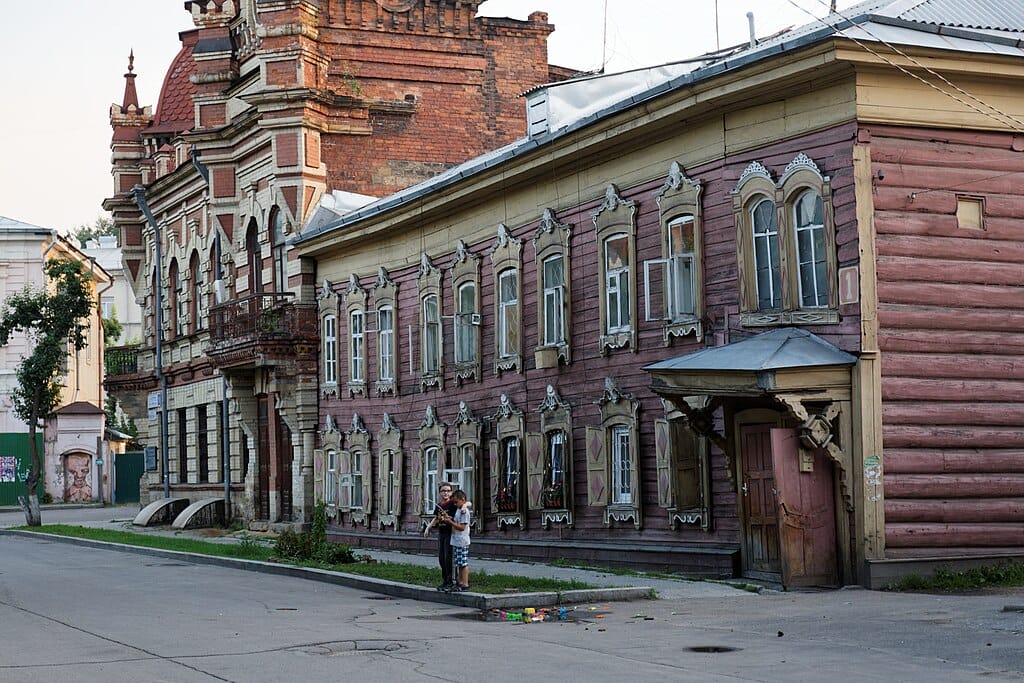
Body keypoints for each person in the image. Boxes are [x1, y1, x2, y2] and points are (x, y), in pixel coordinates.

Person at [423, 482, 457, 590]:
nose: (445, 493)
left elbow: (460, 513)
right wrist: (428, 527)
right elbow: (436, 518)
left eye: (448, 491)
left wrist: (450, 519)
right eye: (443, 491)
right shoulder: (439, 506)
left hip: (450, 533)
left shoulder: (453, 504)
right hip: (441, 533)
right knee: (441, 558)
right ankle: (445, 580)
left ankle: (451, 581)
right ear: (440, 493)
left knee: (448, 558)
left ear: (451, 492)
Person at [447, 489, 471, 592]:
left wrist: (450, 522)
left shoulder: (464, 512)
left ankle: (465, 583)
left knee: (463, 563)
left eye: (456, 502)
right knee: (458, 563)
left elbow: (462, 527)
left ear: (463, 499)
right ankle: (460, 582)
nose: (455, 504)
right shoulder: (458, 509)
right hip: (456, 540)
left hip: (462, 540)